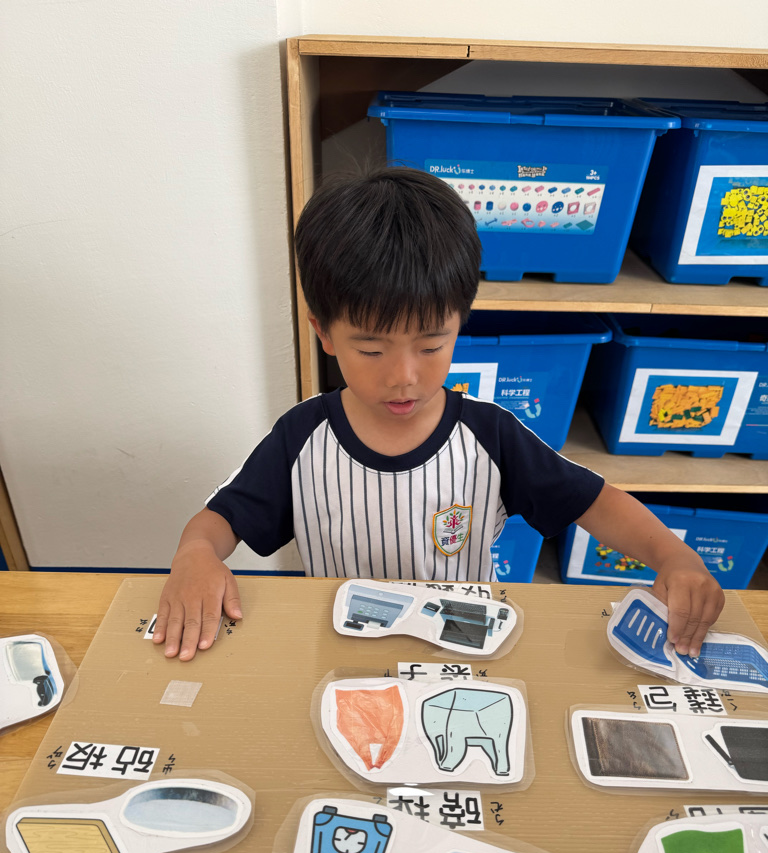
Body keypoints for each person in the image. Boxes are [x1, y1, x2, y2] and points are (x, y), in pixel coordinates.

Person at [154, 166, 724, 662]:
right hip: (340, 649)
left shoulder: (489, 435)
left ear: (460, 322)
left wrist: (673, 556)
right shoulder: (302, 437)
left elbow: (594, 501)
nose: (404, 375)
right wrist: (195, 555)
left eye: (431, 345)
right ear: (323, 333)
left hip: (463, 647)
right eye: (371, 350)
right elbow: (217, 521)